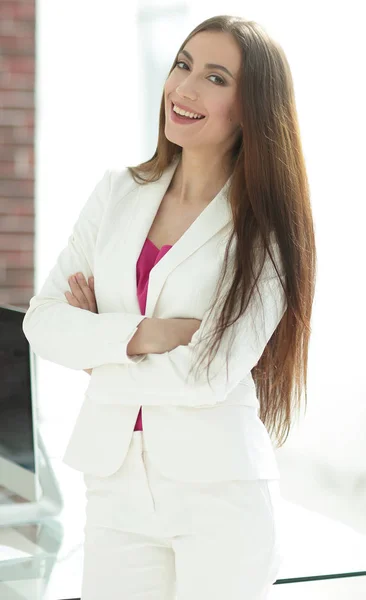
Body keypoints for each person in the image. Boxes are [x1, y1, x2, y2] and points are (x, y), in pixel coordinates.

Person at [23, 14, 317, 600]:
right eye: (182, 65)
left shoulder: (265, 227)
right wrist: (145, 336)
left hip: (220, 497)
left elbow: (211, 373)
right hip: (114, 488)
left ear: (252, 106)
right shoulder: (117, 192)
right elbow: (43, 322)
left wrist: (98, 346)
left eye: (214, 77)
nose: (184, 88)